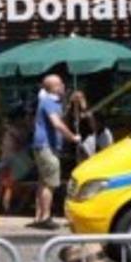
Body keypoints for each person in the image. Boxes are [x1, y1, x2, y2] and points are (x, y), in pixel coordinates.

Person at [31, 74, 79, 230]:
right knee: (50, 183)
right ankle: (45, 217)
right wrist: (72, 137)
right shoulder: (49, 102)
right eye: (61, 84)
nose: (64, 86)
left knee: (43, 181)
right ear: (55, 87)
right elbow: (56, 123)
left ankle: (39, 216)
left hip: (42, 146)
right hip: (46, 146)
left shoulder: (48, 102)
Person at [0, 104, 33, 214]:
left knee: (7, 186)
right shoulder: (17, 131)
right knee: (10, 187)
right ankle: (8, 209)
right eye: (26, 116)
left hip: (8, 163)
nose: (28, 118)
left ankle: (5, 207)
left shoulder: (9, 130)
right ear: (19, 118)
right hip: (12, 164)